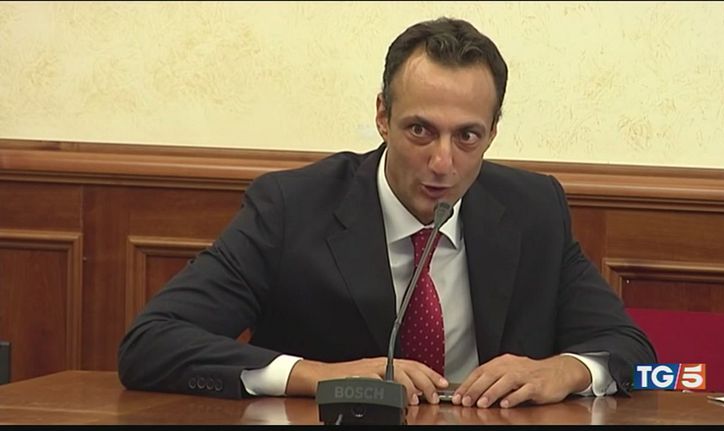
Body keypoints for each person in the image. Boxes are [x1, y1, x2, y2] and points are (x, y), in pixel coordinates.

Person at [118, 17, 655, 409]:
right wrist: (317, 376)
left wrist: (566, 370)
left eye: (467, 136)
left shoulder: (533, 209)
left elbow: (630, 348)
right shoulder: (291, 207)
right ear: (382, 116)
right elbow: (152, 343)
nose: (442, 163)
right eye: (420, 130)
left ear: (493, 132)